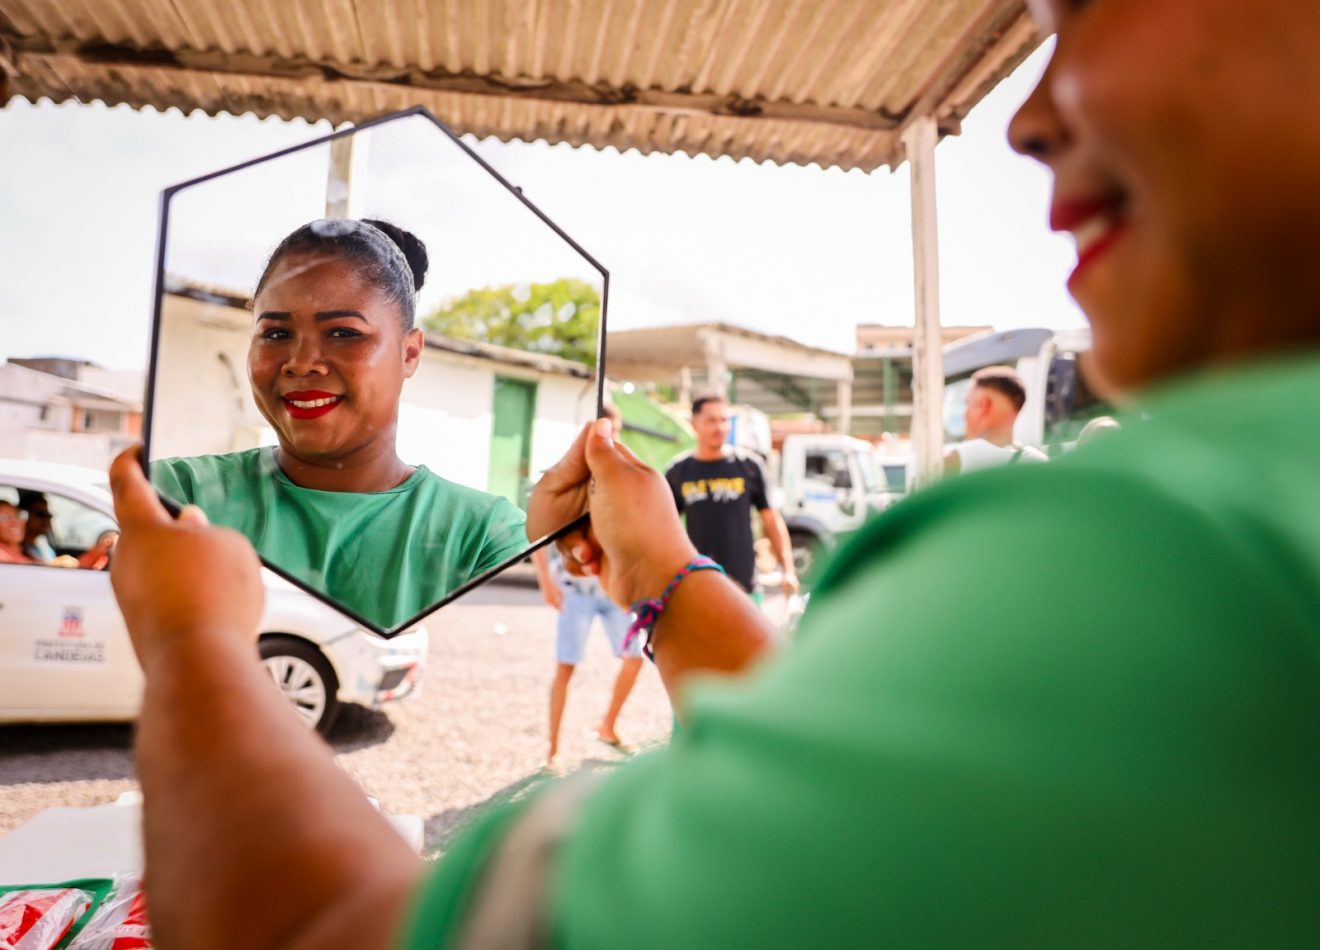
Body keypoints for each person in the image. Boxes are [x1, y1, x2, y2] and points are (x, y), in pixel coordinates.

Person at [104, 0, 1320, 944]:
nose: (1027, 120)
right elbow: (859, 799)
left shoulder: (1159, 557)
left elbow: (325, 935)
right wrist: (669, 572)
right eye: (273, 328)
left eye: (1088, 14)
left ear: (412, 354)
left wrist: (196, 650)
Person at [151, 218, 529, 628]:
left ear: (409, 354)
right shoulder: (179, 493)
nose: (302, 363)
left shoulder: (483, 535)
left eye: (343, 333)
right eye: (276, 334)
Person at [532, 404, 644, 772]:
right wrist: (546, 582)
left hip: (613, 592)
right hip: (576, 591)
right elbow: (537, 535)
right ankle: (553, 751)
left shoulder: (626, 477)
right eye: (604, 431)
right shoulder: (568, 478)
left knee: (635, 657)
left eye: (616, 431)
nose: (610, 440)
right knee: (566, 668)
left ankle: (608, 725)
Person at [664, 392, 798, 595]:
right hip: (696, 586)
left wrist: (788, 570)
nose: (720, 427)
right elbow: (666, 528)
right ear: (694, 424)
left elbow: (771, 520)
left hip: (745, 586)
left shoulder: (749, 466)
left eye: (724, 420)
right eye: (711, 420)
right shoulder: (678, 472)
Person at [943, 365, 1048, 475]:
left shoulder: (960, 458)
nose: (964, 414)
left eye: (968, 403)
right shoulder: (1039, 461)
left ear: (982, 406)